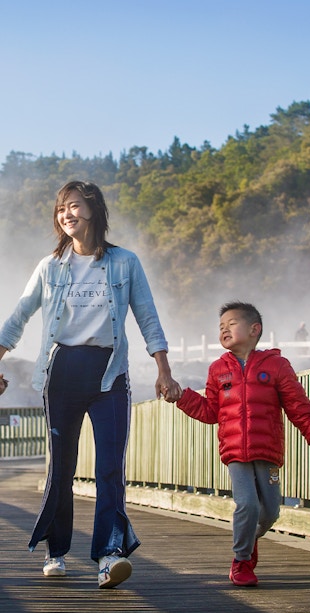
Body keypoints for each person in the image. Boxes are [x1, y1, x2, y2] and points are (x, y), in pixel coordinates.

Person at [0, 180, 182, 589]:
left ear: (94, 210)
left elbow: (147, 317)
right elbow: (19, 317)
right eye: (61, 208)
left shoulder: (125, 262)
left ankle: (109, 554)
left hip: (110, 373)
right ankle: (56, 549)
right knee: (61, 468)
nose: (67, 214)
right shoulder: (50, 267)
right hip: (62, 371)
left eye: (75, 206)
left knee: (109, 469)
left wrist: (163, 369)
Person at [173, 301, 310, 587]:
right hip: (236, 453)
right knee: (246, 505)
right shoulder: (218, 369)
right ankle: (241, 560)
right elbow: (210, 412)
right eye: (221, 327)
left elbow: (296, 404)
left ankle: (248, 538)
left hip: (268, 453)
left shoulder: (277, 366)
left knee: (270, 512)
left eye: (231, 324)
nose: (224, 329)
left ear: (254, 329)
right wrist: (182, 397)